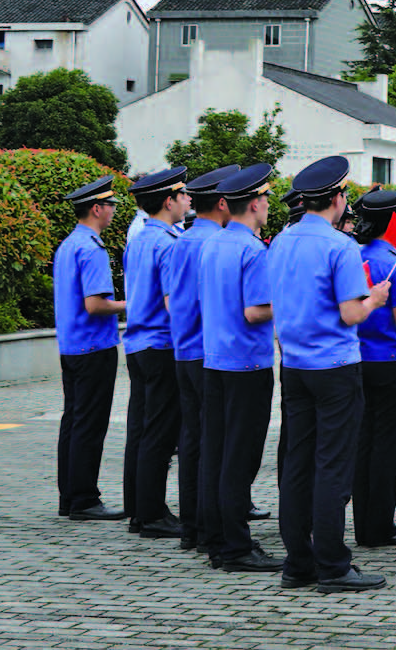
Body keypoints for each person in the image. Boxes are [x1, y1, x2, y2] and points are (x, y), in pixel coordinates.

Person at [270, 156, 396, 594]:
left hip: (295, 365)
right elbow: (350, 313)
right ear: (338, 199)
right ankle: (332, 564)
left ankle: (297, 563)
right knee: (333, 467)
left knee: (297, 464)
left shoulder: (282, 239)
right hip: (335, 366)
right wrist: (377, 299)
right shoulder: (340, 246)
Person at [200, 164, 280, 573]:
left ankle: (215, 537)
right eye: (265, 199)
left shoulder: (212, 243)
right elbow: (255, 311)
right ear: (253, 203)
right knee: (239, 457)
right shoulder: (253, 250)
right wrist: (287, 304)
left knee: (215, 453)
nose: (268, 205)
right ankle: (235, 546)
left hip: (214, 359)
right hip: (247, 363)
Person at [164, 164, 236, 555]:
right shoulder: (216, 242)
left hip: (185, 349)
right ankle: (211, 528)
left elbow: (175, 301)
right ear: (224, 202)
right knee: (215, 444)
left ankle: (192, 526)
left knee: (193, 440)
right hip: (210, 352)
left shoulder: (184, 239)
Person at [350, 188, 396, 551]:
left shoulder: (355, 255)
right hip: (393, 363)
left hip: (359, 361)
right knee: (388, 448)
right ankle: (379, 526)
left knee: (363, 445)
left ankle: (364, 521)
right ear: (394, 221)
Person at [54, 174, 128, 522]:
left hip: (71, 346)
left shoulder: (70, 244)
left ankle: (69, 496)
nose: (113, 211)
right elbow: (96, 304)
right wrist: (133, 304)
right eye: (111, 205)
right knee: (89, 423)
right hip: (94, 345)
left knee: (73, 420)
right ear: (97, 208)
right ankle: (84, 498)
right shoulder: (92, 248)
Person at [121, 166, 190, 537]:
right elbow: (172, 303)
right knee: (161, 433)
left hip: (138, 343)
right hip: (162, 343)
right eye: (183, 195)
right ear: (169, 201)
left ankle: (140, 509)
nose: (188, 201)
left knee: (147, 428)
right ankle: (150, 514)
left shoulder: (141, 238)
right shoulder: (168, 243)